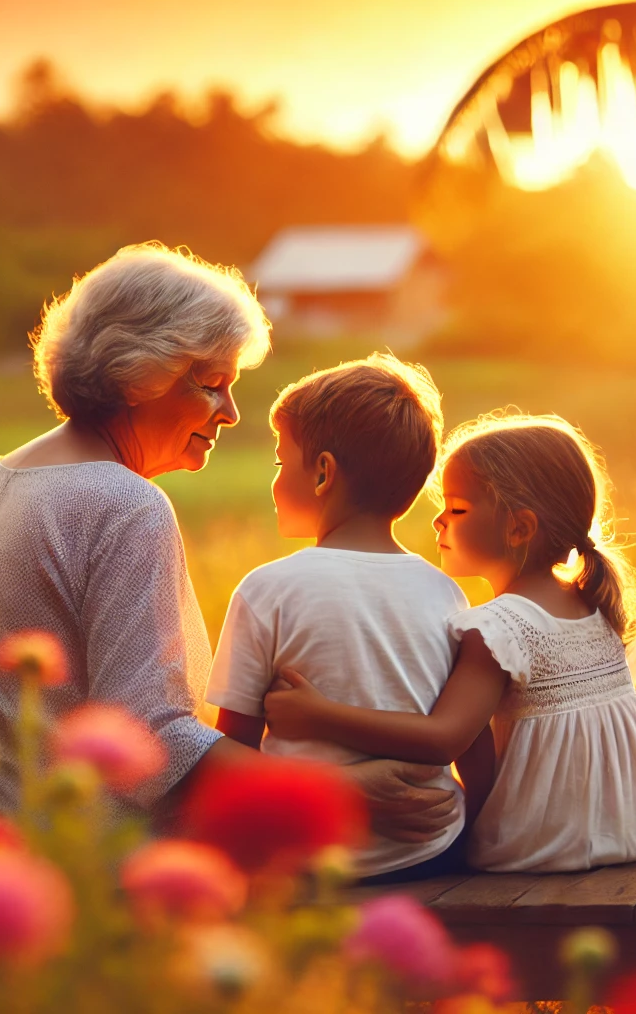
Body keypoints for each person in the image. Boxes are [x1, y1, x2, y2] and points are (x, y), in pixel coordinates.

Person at [0, 244, 456, 842]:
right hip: (83, 866)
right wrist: (341, 790)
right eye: (212, 384)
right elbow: (151, 733)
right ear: (138, 373)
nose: (229, 412)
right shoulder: (123, 503)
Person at [263, 412, 636, 873]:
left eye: (458, 508)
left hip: (548, 846)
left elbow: (443, 739)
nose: (439, 520)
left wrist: (319, 715)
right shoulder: (591, 604)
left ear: (519, 528)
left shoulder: (498, 628)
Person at [206, 355, 491, 882]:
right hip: (432, 854)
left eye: (278, 462)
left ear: (322, 473)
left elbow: (235, 753)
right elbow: (475, 753)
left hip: (312, 862)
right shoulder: (447, 595)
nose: (273, 480)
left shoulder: (266, 590)